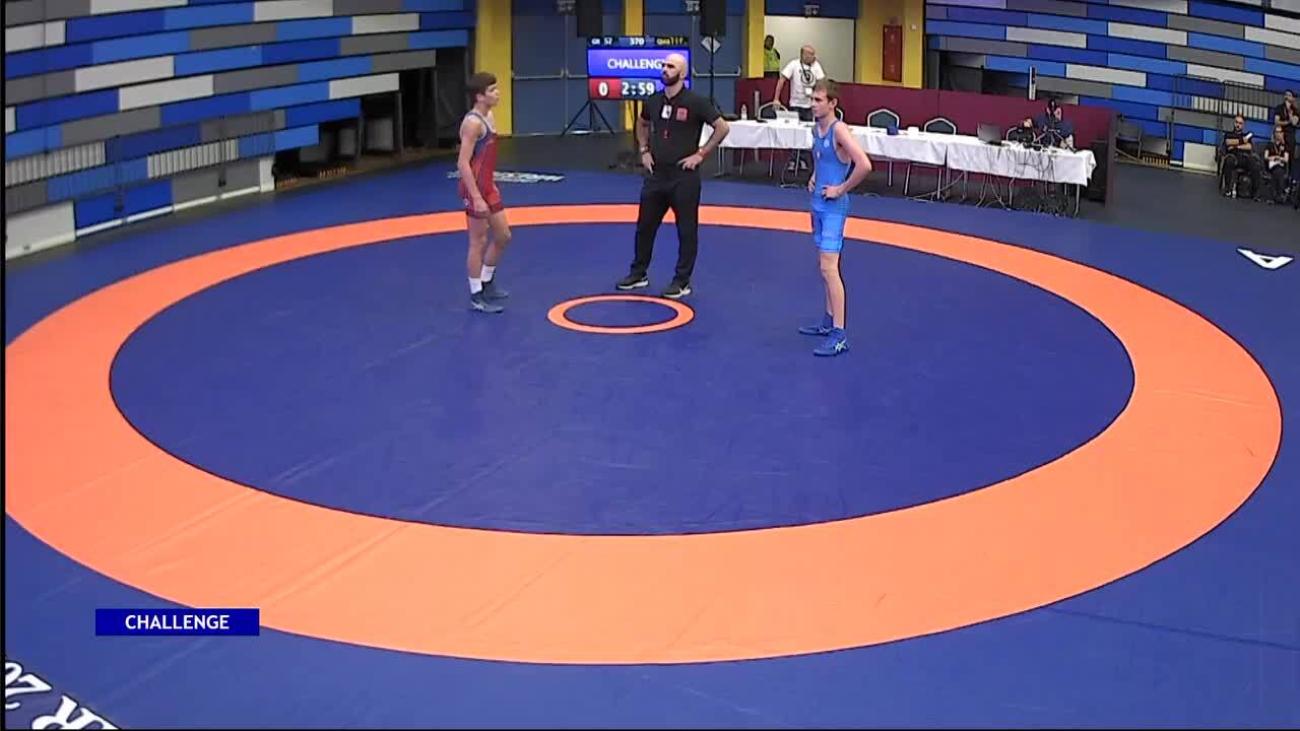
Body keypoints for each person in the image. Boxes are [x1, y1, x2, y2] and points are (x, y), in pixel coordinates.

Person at [616, 53, 730, 299]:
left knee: (686, 230)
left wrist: (701, 154)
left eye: (671, 66)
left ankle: (681, 280)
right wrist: (644, 150)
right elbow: (642, 123)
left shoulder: (696, 102)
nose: (665, 69)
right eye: (664, 65)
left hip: (683, 176)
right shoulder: (654, 100)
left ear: (682, 73)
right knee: (645, 227)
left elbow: (722, 127)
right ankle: (638, 273)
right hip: (657, 174)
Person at [798, 80, 872, 358]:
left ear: (832, 104)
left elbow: (864, 164)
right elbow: (823, 159)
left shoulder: (839, 130)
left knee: (830, 268)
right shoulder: (816, 130)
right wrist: (815, 176)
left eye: (818, 100)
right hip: (818, 204)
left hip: (833, 208)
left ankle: (840, 334)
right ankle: (829, 322)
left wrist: (841, 188)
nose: (813, 105)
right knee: (823, 267)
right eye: (812, 99)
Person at [457, 71, 512, 314]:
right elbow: (463, 163)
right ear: (480, 96)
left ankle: (487, 280)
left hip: (487, 186)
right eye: (492, 90)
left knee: (503, 236)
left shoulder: (489, 115)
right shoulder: (473, 124)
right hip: (475, 189)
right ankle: (476, 294)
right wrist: (476, 197)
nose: (497, 93)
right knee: (477, 241)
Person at [773, 45, 826, 122]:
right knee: (794, 126)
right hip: (795, 104)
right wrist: (776, 98)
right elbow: (781, 80)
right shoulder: (794, 64)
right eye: (811, 54)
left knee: (808, 126)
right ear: (804, 55)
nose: (814, 56)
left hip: (810, 105)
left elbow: (822, 82)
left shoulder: (816, 65)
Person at [1220, 115, 1260, 199]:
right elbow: (1228, 142)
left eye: (1240, 123)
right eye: (1236, 122)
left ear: (1243, 125)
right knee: (1229, 161)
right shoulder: (1229, 134)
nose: (1238, 125)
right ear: (1234, 123)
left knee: (1255, 164)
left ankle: (1255, 192)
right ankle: (1227, 189)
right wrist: (1242, 141)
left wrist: (1236, 146)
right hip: (1233, 157)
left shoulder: (1246, 135)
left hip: (1244, 158)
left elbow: (1249, 147)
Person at [1264, 125, 1291, 203]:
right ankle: (1280, 193)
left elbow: (1286, 159)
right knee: (1277, 171)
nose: (1278, 134)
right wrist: (1273, 157)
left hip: (1281, 166)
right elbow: (1266, 157)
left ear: (1282, 133)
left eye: (1280, 132)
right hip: (1271, 165)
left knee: (1278, 171)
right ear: (1274, 133)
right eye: (1276, 132)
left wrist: (1278, 158)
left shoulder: (1285, 146)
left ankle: (1276, 195)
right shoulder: (1270, 144)